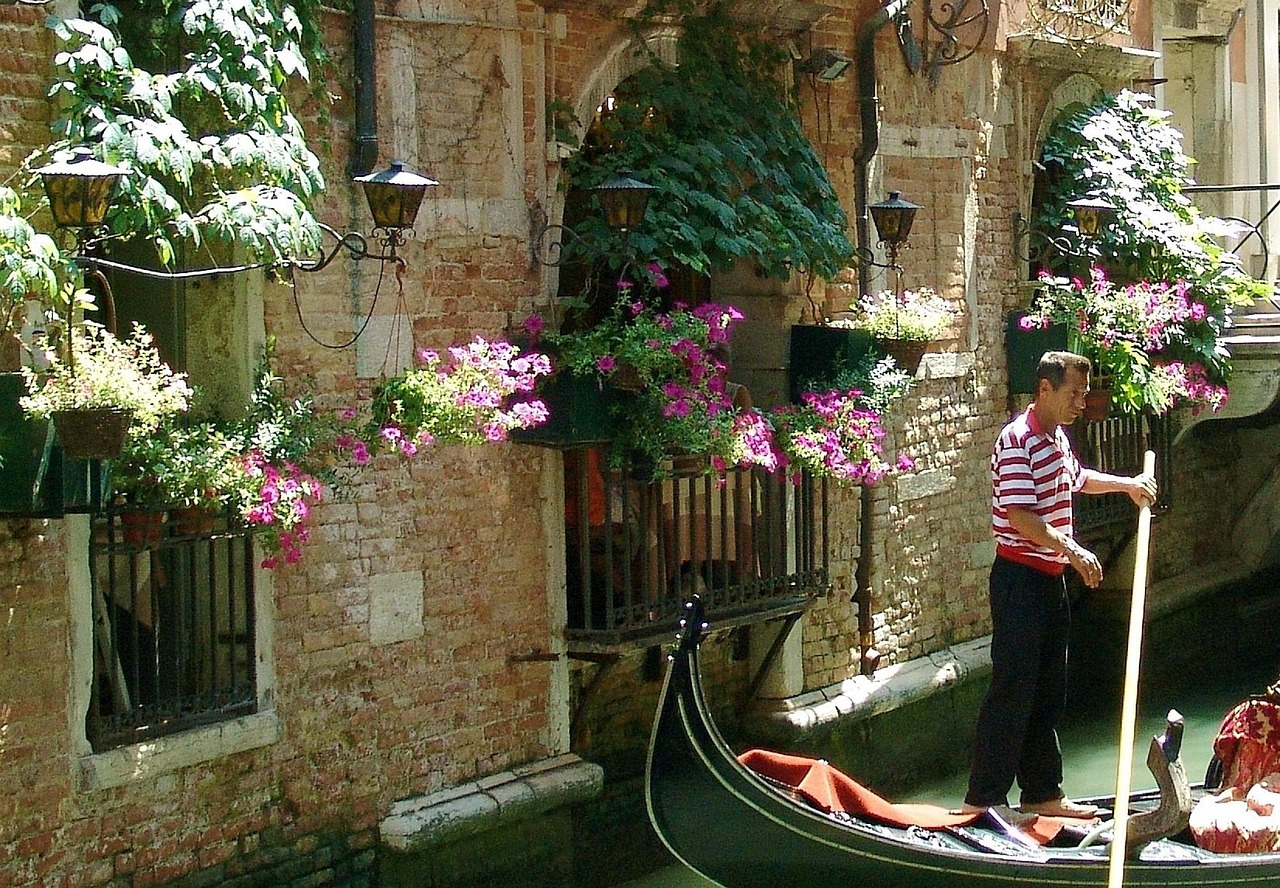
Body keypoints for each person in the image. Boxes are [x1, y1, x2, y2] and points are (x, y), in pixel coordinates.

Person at [962, 351, 1158, 819]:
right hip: (1019, 580)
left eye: (1084, 394)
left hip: (1049, 582)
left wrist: (1127, 485)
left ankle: (1042, 795)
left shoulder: (1057, 438)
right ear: (1045, 390)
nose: (1081, 403)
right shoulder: (1017, 441)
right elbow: (1021, 516)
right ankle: (984, 799)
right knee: (1014, 687)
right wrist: (1073, 549)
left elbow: (1077, 479)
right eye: (1074, 393)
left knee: (1048, 689)